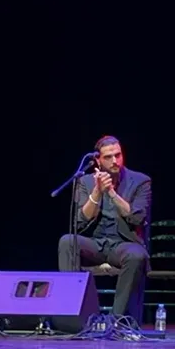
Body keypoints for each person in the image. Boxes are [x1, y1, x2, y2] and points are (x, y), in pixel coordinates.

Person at [58, 136, 151, 318]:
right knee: (67, 242)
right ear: (98, 161)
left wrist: (111, 193)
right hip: (96, 244)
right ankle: (72, 315)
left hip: (122, 244)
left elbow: (137, 217)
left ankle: (118, 320)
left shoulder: (141, 181)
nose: (115, 161)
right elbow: (80, 221)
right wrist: (97, 192)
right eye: (108, 157)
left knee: (136, 255)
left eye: (118, 155)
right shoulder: (85, 182)